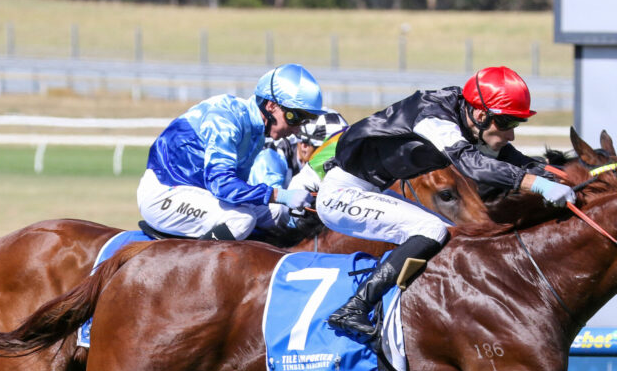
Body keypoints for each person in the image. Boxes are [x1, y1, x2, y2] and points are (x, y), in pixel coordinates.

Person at [317, 65, 575, 343]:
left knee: (449, 231)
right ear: (480, 114)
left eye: (515, 124)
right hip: (342, 195)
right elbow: (473, 165)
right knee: (430, 230)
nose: (510, 134)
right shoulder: (436, 120)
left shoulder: (466, 113)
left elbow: (504, 152)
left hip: (368, 189)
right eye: (507, 124)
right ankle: (355, 308)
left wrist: (551, 172)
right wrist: (536, 184)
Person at [137, 63, 324, 240]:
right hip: (164, 194)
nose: (297, 129)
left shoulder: (256, 131)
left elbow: (236, 188)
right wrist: (280, 195)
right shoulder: (226, 120)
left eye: (304, 121)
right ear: (271, 106)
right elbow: (222, 186)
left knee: (278, 213)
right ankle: (193, 268)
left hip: (199, 193)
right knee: (241, 221)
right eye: (294, 117)